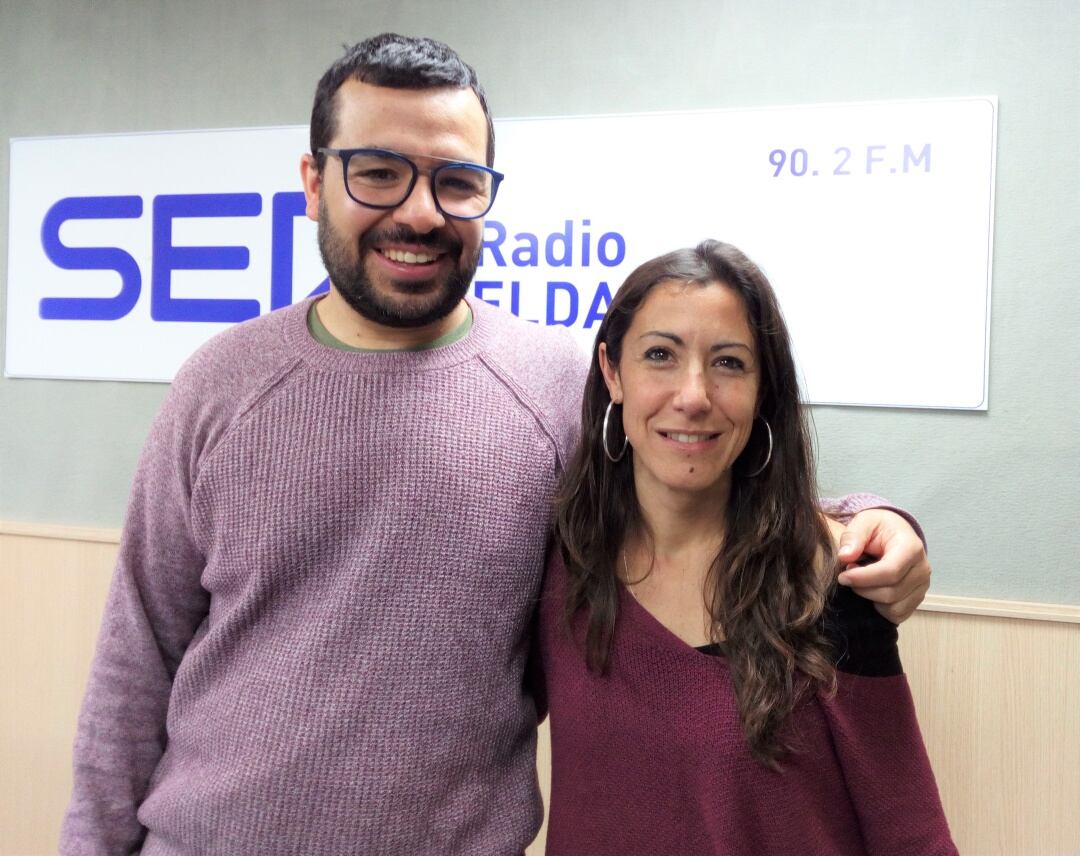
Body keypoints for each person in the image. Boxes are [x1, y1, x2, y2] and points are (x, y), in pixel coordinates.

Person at [61, 35, 932, 856]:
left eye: (455, 181)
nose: (418, 212)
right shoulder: (218, 386)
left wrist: (871, 520)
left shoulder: (555, 388)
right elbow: (134, 665)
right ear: (313, 182)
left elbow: (696, 478)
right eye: (378, 173)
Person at [538, 240, 956, 854]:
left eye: (729, 363)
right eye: (660, 355)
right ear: (612, 371)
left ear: (763, 388)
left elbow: (910, 831)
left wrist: (876, 517)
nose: (694, 395)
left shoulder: (826, 576)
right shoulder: (561, 560)